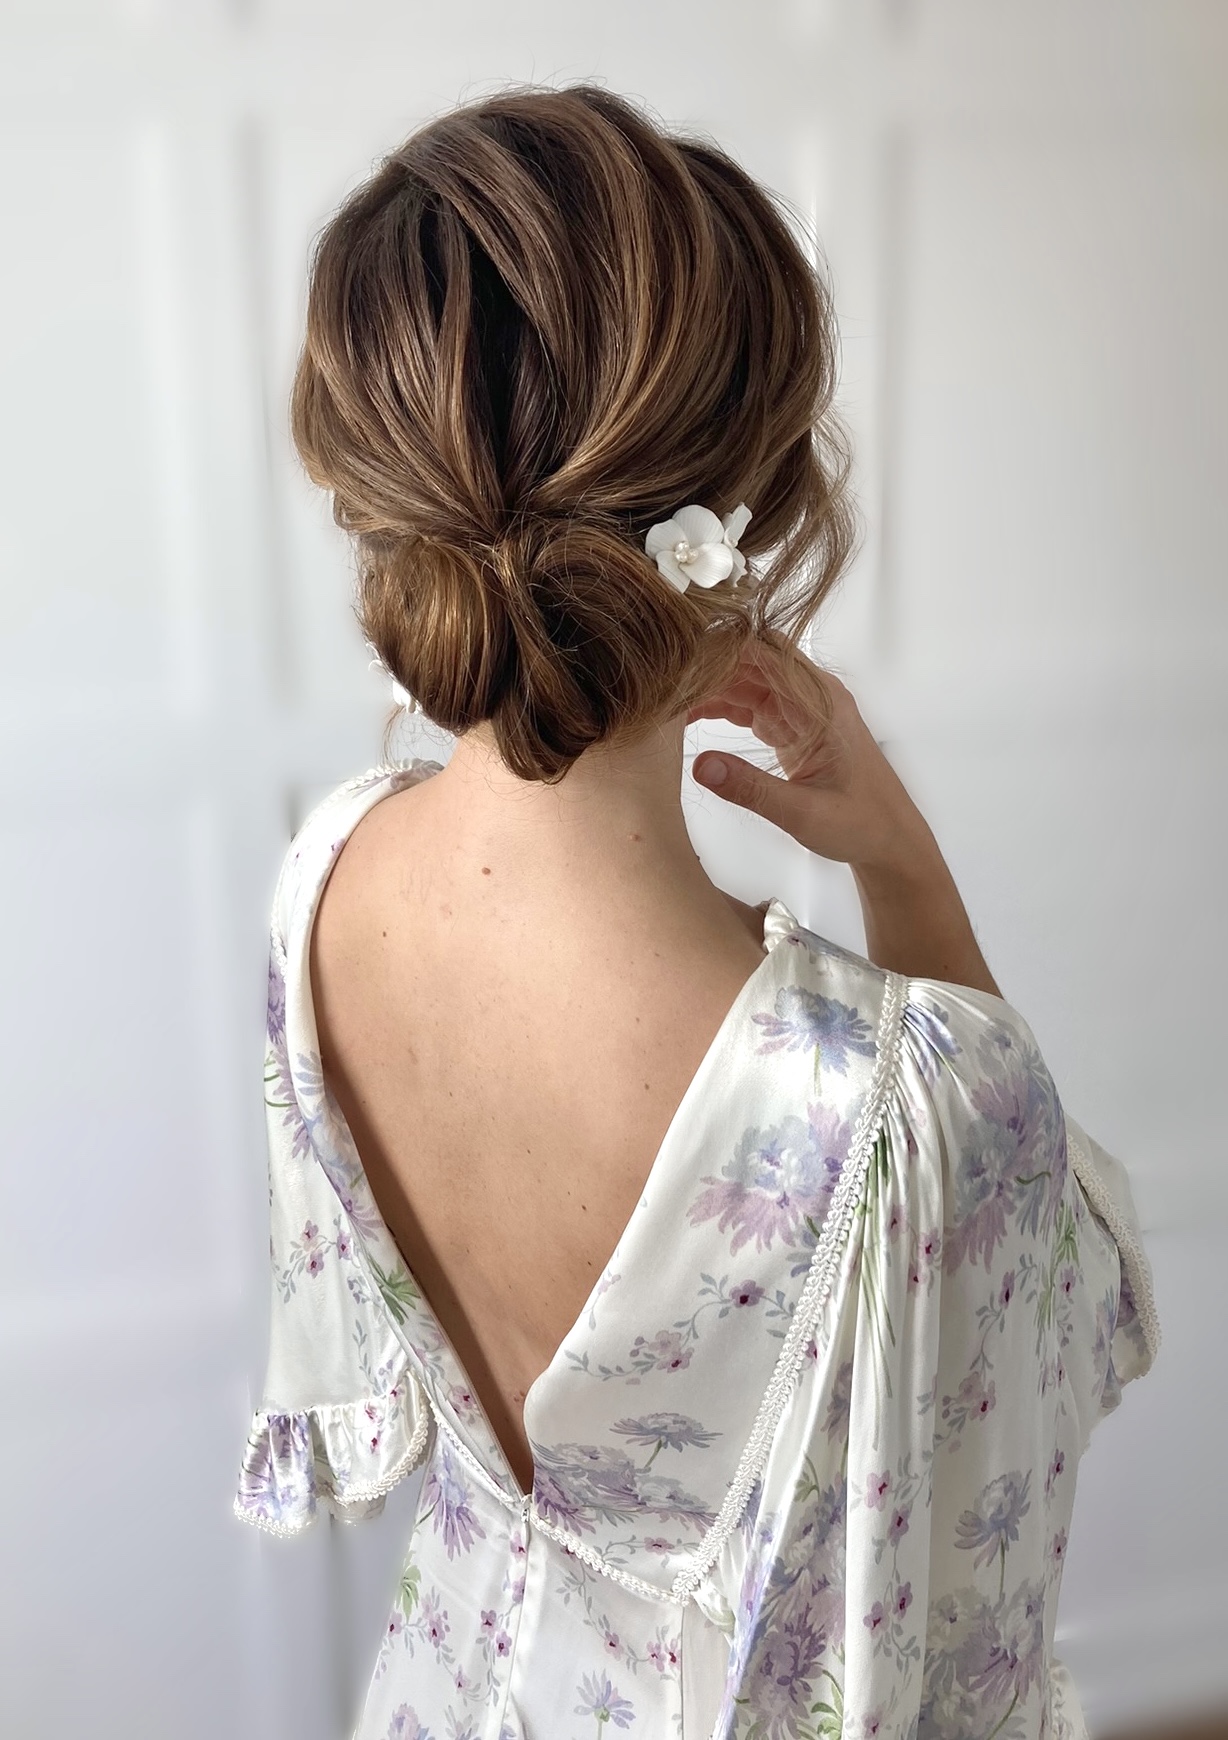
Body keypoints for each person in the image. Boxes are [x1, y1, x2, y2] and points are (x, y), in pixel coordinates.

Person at [235, 83, 1157, 1740]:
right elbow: (1065, 1316)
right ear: (744, 522)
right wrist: (907, 871)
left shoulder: (326, 882)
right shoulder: (893, 1105)